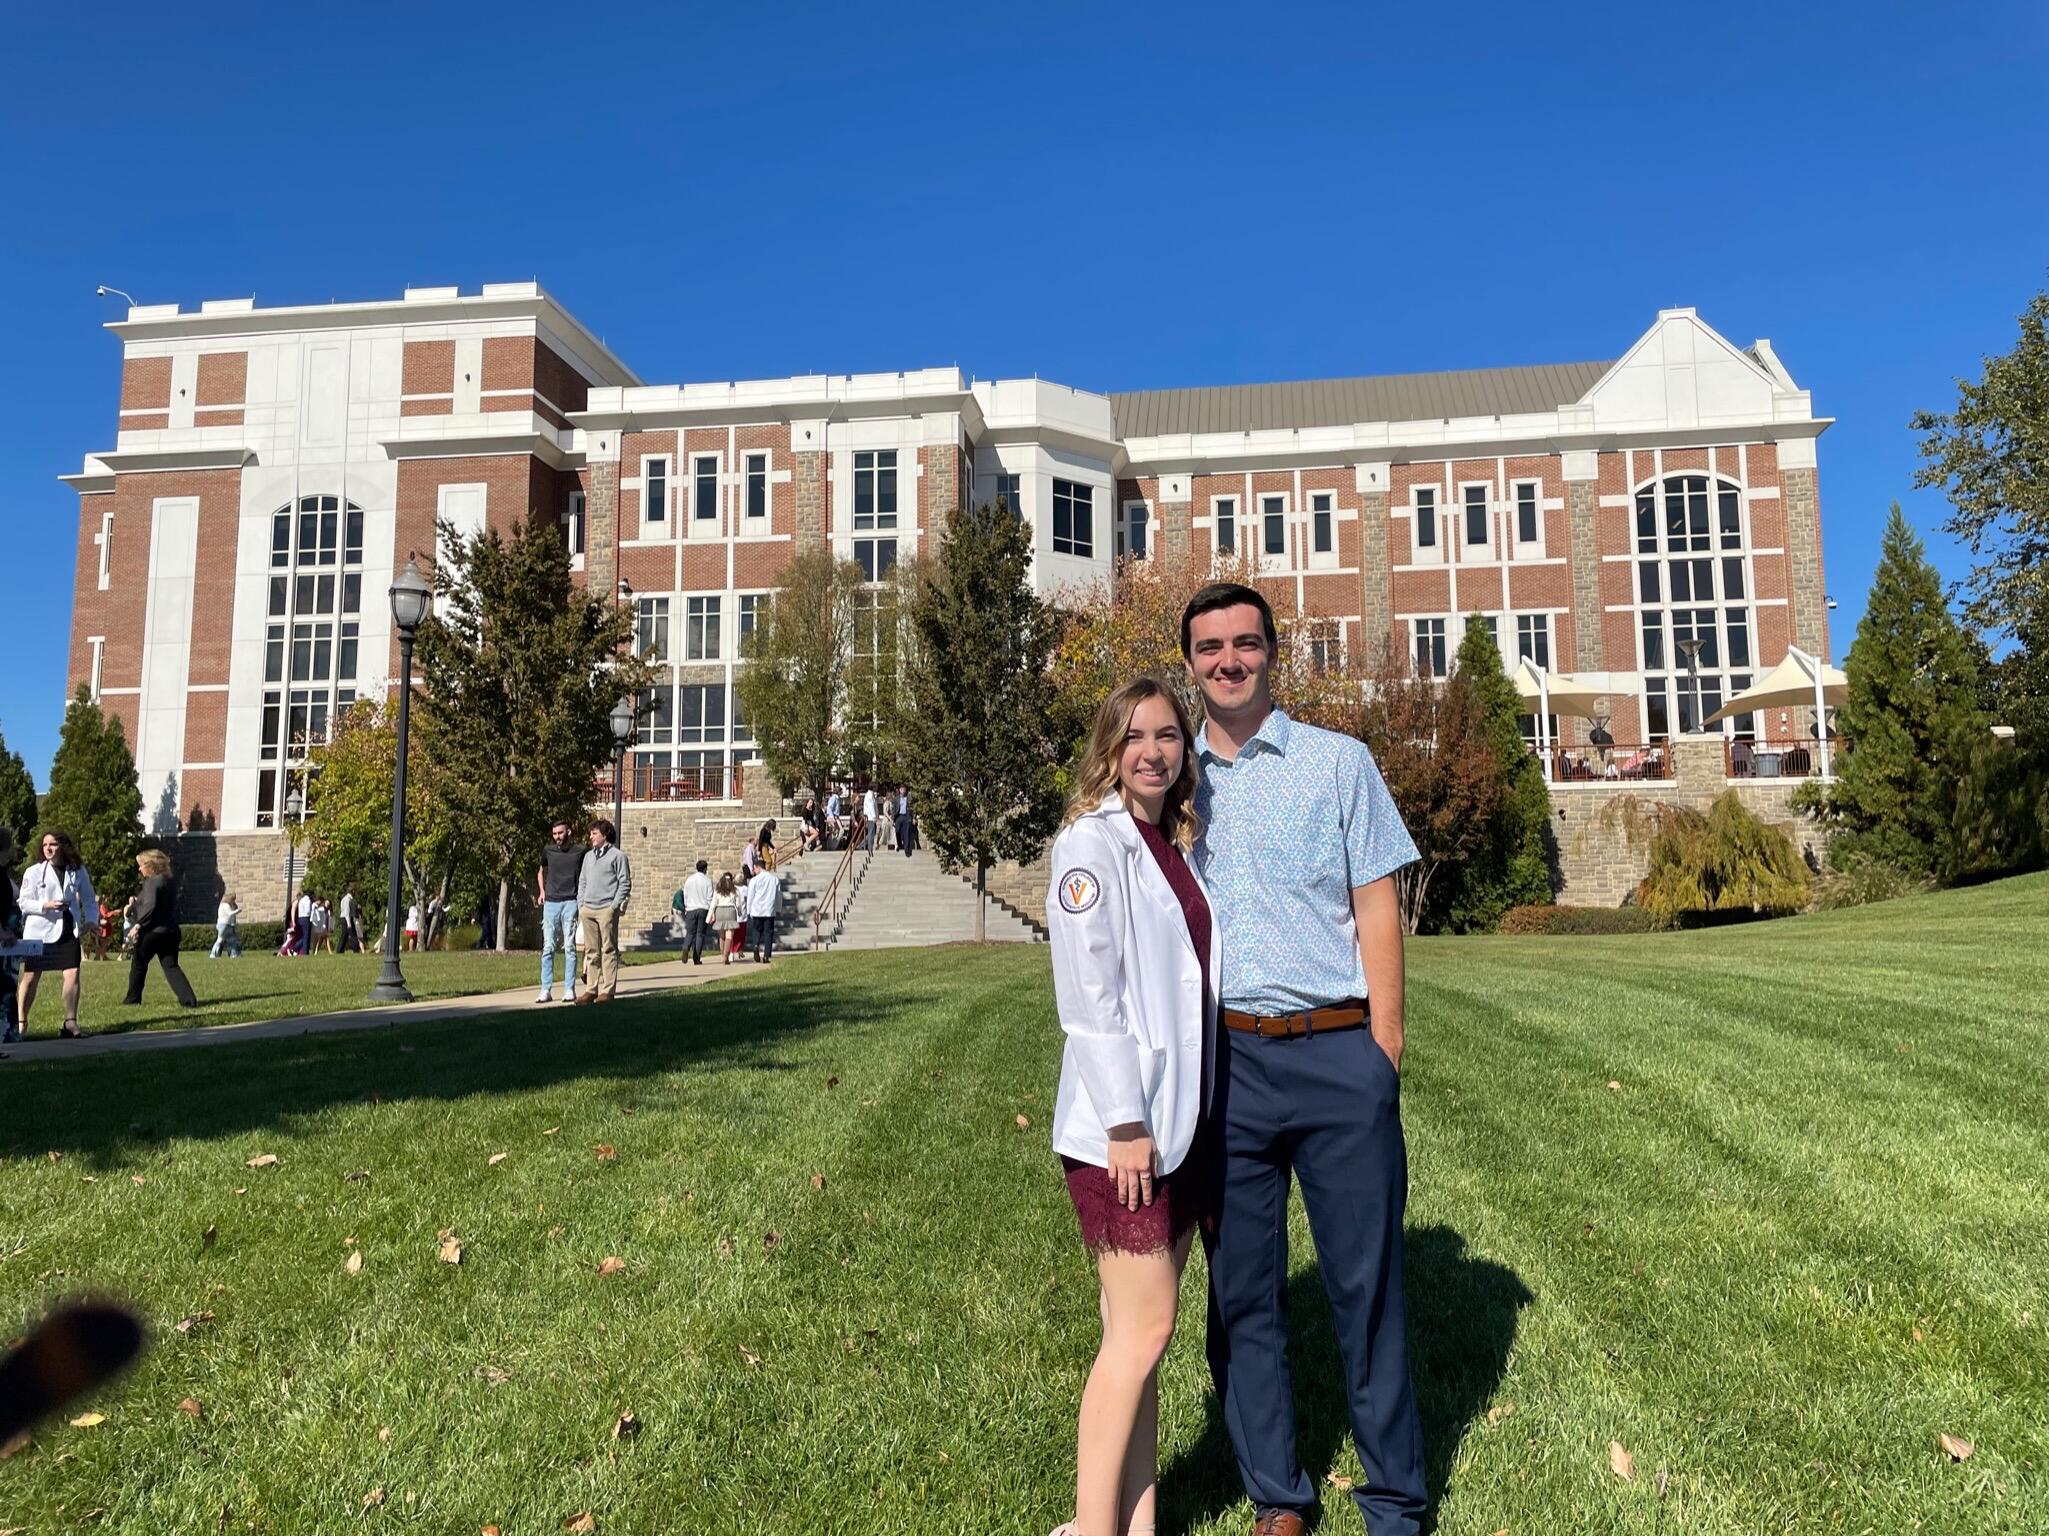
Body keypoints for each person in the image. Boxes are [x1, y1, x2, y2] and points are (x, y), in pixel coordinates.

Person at [1183, 582, 1425, 1536]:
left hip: (1336, 1054)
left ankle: (1393, 1500)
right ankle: (1277, 1497)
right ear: (1191, 663)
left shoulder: (1338, 762)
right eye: (1210, 648)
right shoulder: (1171, 779)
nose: (1228, 661)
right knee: (1242, 1295)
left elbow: (1376, 903)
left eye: (1244, 643)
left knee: (1367, 1289)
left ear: (1273, 653)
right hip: (1227, 1067)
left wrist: (1384, 1048)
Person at [1043, 676, 1220, 1536]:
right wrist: (1124, 1123)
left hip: (1177, 1125)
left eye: (1168, 736)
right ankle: (1092, 1528)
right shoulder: (1090, 843)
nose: (1153, 752)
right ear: (1109, 750)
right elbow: (1088, 997)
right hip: (1123, 1134)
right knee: (1142, 1333)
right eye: (1136, 737)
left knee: (1138, 1339)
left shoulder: (1169, 843)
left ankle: (1138, 1523)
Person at [16, 832, 98, 1038]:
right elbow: (23, 902)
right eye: (45, 845)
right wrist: (46, 905)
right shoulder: (34, 871)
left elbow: (89, 899)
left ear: (63, 846)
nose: (48, 848)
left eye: (53, 844)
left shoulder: (77, 870)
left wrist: (91, 920)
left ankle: (70, 1022)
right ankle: (21, 1022)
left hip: (68, 929)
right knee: (31, 976)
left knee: (73, 972)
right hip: (40, 931)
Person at [122, 849, 199, 1009]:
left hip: (153, 932)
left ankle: (132, 999)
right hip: (170, 931)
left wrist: (138, 924)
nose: (139, 869)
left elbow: (150, 905)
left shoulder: (152, 882)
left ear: (151, 865)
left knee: (138, 964)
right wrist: (136, 904)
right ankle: (189, 1000)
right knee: (171, 966)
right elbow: (155, 903)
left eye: (141, 865)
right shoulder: (168, 881)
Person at [574, 818, 631, 1004]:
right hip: (587, 909)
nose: (591, 837)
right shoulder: (588, 856)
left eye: (594, 833)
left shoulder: (618, 856)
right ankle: (591, 990)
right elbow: (582, 881)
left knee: (608, 949)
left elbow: (625, 883)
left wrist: (613, 906)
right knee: (591, 951)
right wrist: (581, 905)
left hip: (606, 909)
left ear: (605, 835)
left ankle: (607, 990)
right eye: (591, 833)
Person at [536, 818, 585, 1004]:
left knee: (569, 947)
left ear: (568, 832)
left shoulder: (580, 851)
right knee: (548, 947)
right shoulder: (548, 851)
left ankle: (569, 989)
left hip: (571, 901)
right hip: (551, 903)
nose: (557, 836)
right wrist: (542, 891)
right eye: (555, 834)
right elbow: (540, 870)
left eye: (560, 833)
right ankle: (545, 989)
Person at [679, 859, 715, 965]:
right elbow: (710, 897)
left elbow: (685, 894)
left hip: (691, 909)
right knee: (700, 934)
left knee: (690, 932)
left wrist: (686, 906)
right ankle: (696, 957)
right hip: (703, 908)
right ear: (705, 869)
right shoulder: (707, 881)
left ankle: (686, 947)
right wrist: (711, 911)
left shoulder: (689, 880)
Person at [746, 858, 781, 964]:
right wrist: (778, 908)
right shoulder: (774, 879)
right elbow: (778, 895)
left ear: (758, 867)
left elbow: (750, 896)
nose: (754, 871)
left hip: (757, 909)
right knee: (768, 932)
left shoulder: (754, 880)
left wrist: (748, 910)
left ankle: (756, 945)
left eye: (755, 869)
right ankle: (766, 954)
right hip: (769, 909)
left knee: (756, 930)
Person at [709, 872, 741, 965]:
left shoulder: (718, 891)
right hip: (730, 911)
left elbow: (713, 904)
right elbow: (738, 904)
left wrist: (709, 916)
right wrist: (739, 912)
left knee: (722, 935)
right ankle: (726, 955)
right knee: (729, 935)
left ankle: (722, 954)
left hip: (720, 911)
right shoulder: (735, 890)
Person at [211, 892, 242, 959]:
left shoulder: (222, 905)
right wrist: (237, 911)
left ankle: (233, 954)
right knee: (222, 940)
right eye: (233, 899)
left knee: (228, 940)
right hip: (224, 925)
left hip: (225, 924)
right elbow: (230, 914)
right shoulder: (225, 905)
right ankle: (215, 954)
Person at [894, 785, 915, 857]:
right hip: (899, 816)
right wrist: (892, 818)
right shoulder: (896, 799)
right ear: (899, 790)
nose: (903, 791)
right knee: (897, 831)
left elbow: (912, 809)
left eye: (904, 790)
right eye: (901, 790)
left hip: (906, 816)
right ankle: (899, 844)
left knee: (906, 833)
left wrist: (913, 818)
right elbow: (894, 809)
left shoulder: (909, 799)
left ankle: (907, 849)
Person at [862, 782, 880, 850]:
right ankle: (868, 846)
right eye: (876, 787)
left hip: (872, 817)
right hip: (870, 817)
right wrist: (874, 816)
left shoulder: (872, 795)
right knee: (871, 833)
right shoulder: (869, 795)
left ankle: (869, 846)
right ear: (873, 787)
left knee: (873, 832)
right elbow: (871, 807)